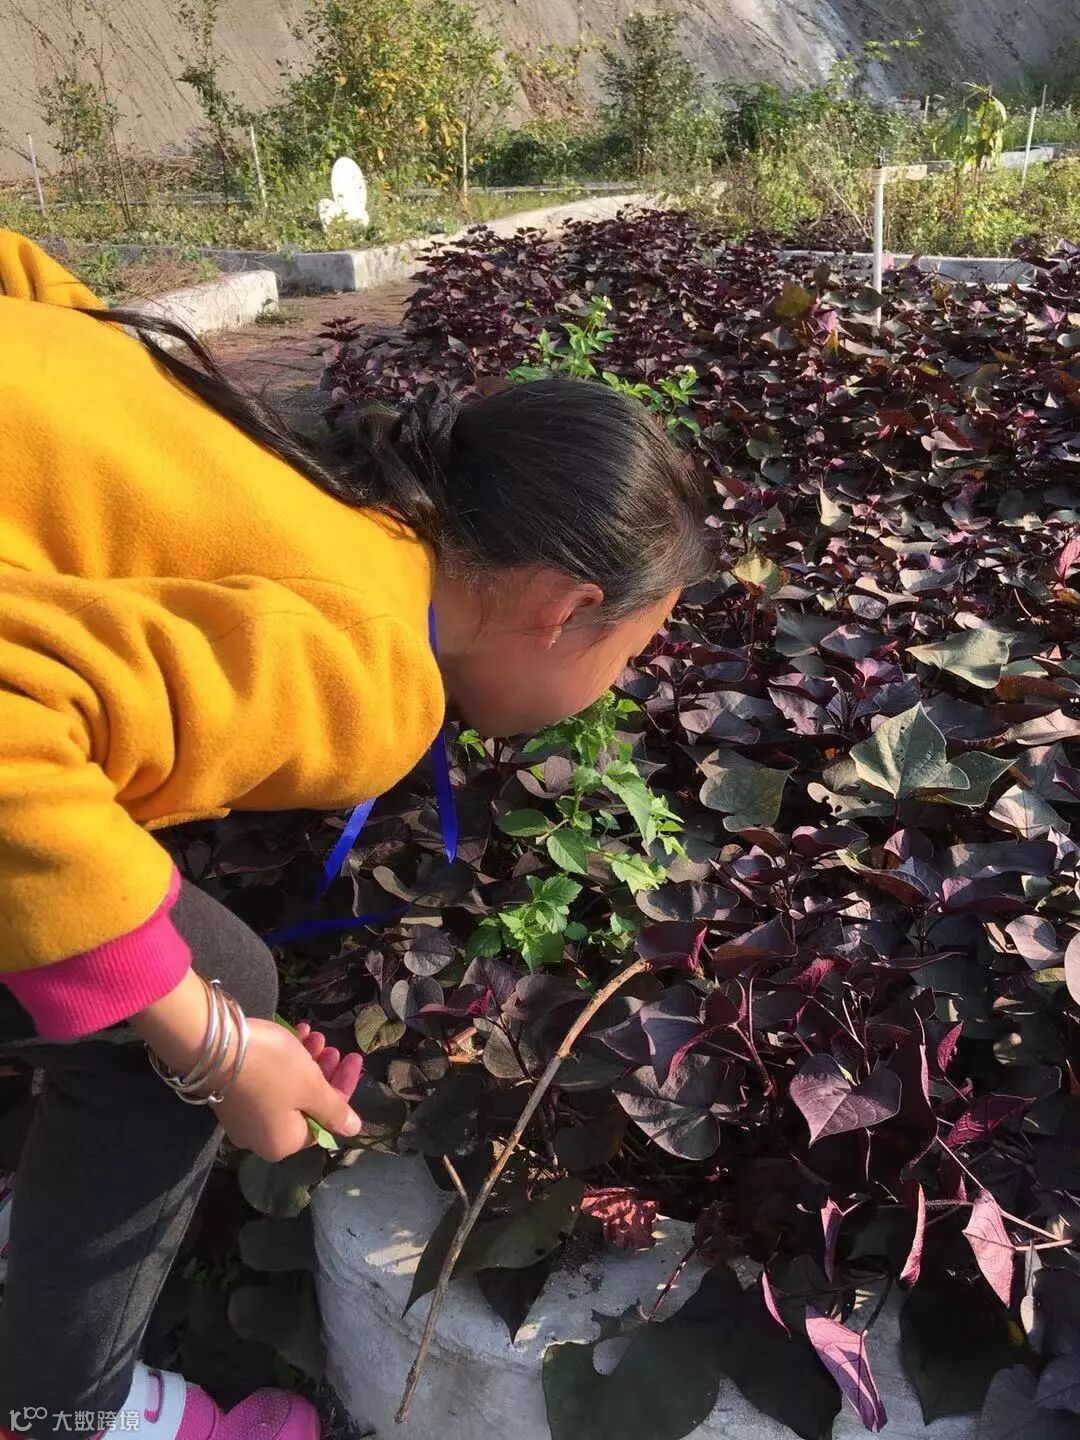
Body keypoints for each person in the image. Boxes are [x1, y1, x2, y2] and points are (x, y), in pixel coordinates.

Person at [0, 231, 710, 1440]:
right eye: (632, 655)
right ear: (564, 612)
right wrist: (217, 1053)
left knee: (203, 967)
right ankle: (62, 1413)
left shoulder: (280, 474)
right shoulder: (367, 665)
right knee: (166, 1029)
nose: (624, 687)